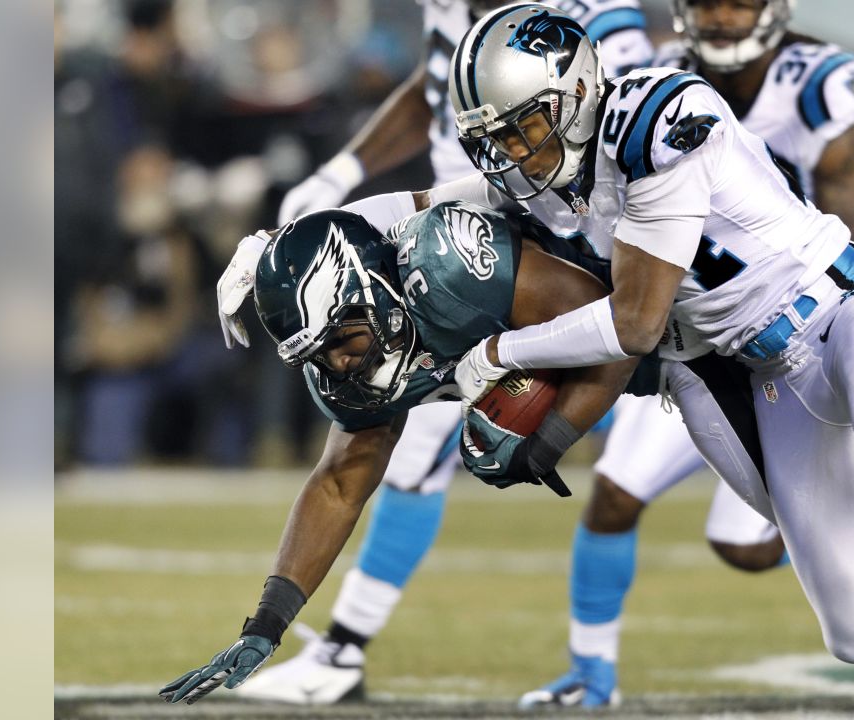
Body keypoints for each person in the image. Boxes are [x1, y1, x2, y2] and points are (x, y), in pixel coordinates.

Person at [417, 5, 854, 716]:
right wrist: (350, 214)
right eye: (497, 138)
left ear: (574, 96)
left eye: (525, 128)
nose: (514, 153)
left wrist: (498, 353)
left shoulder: (662, 114)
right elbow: (451, 200)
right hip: (753, 375)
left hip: (837, 306)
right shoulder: (545, 179)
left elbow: (635, 322)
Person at [230, 0, 654, 704]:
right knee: (410, 428)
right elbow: (433, 91)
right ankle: (343, 650)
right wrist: (338, 182)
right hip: (475, 226)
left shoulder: (588, 14)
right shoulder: (449, 14)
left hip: (579, 247)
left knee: (681, 441)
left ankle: (343, 652)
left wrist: (543, 424)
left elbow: (635, 138)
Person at [520, 0, 854, 706]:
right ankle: (590, 674)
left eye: (738, 2)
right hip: (688, 333)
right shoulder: (644, 86)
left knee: (755, 547)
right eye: (707, 2)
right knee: (613, 495)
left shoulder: (818, 89)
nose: (721, 18)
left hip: (799, 337)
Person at [161, 199, 665, 705]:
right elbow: (338, 485)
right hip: (657, 375)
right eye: (317, 354)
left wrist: (547, 440)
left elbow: (614, 324)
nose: (337, 363)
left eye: (339, 338)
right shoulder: (344, 367)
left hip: (689, 340)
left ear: (372, 293)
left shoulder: (450, 265)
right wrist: (267, 624)